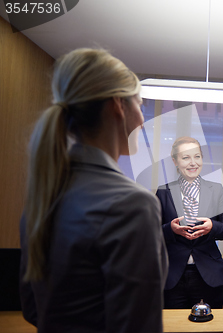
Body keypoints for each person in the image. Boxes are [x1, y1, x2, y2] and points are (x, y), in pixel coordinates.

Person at [19, 48, 168, 333]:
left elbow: (33, 308)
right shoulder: (132, 204)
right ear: (117, 105)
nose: (142, 119)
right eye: (140, 105)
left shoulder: (43, 198)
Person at [156, 136, 223, 309]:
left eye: (197, 156)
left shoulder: (216, 190)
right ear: (175, 161)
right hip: (172, 276)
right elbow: (151, 233)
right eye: (186, 157)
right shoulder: (163, 192)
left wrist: (213, 227)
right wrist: (170, 229)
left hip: (209, 276)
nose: (193, 163)